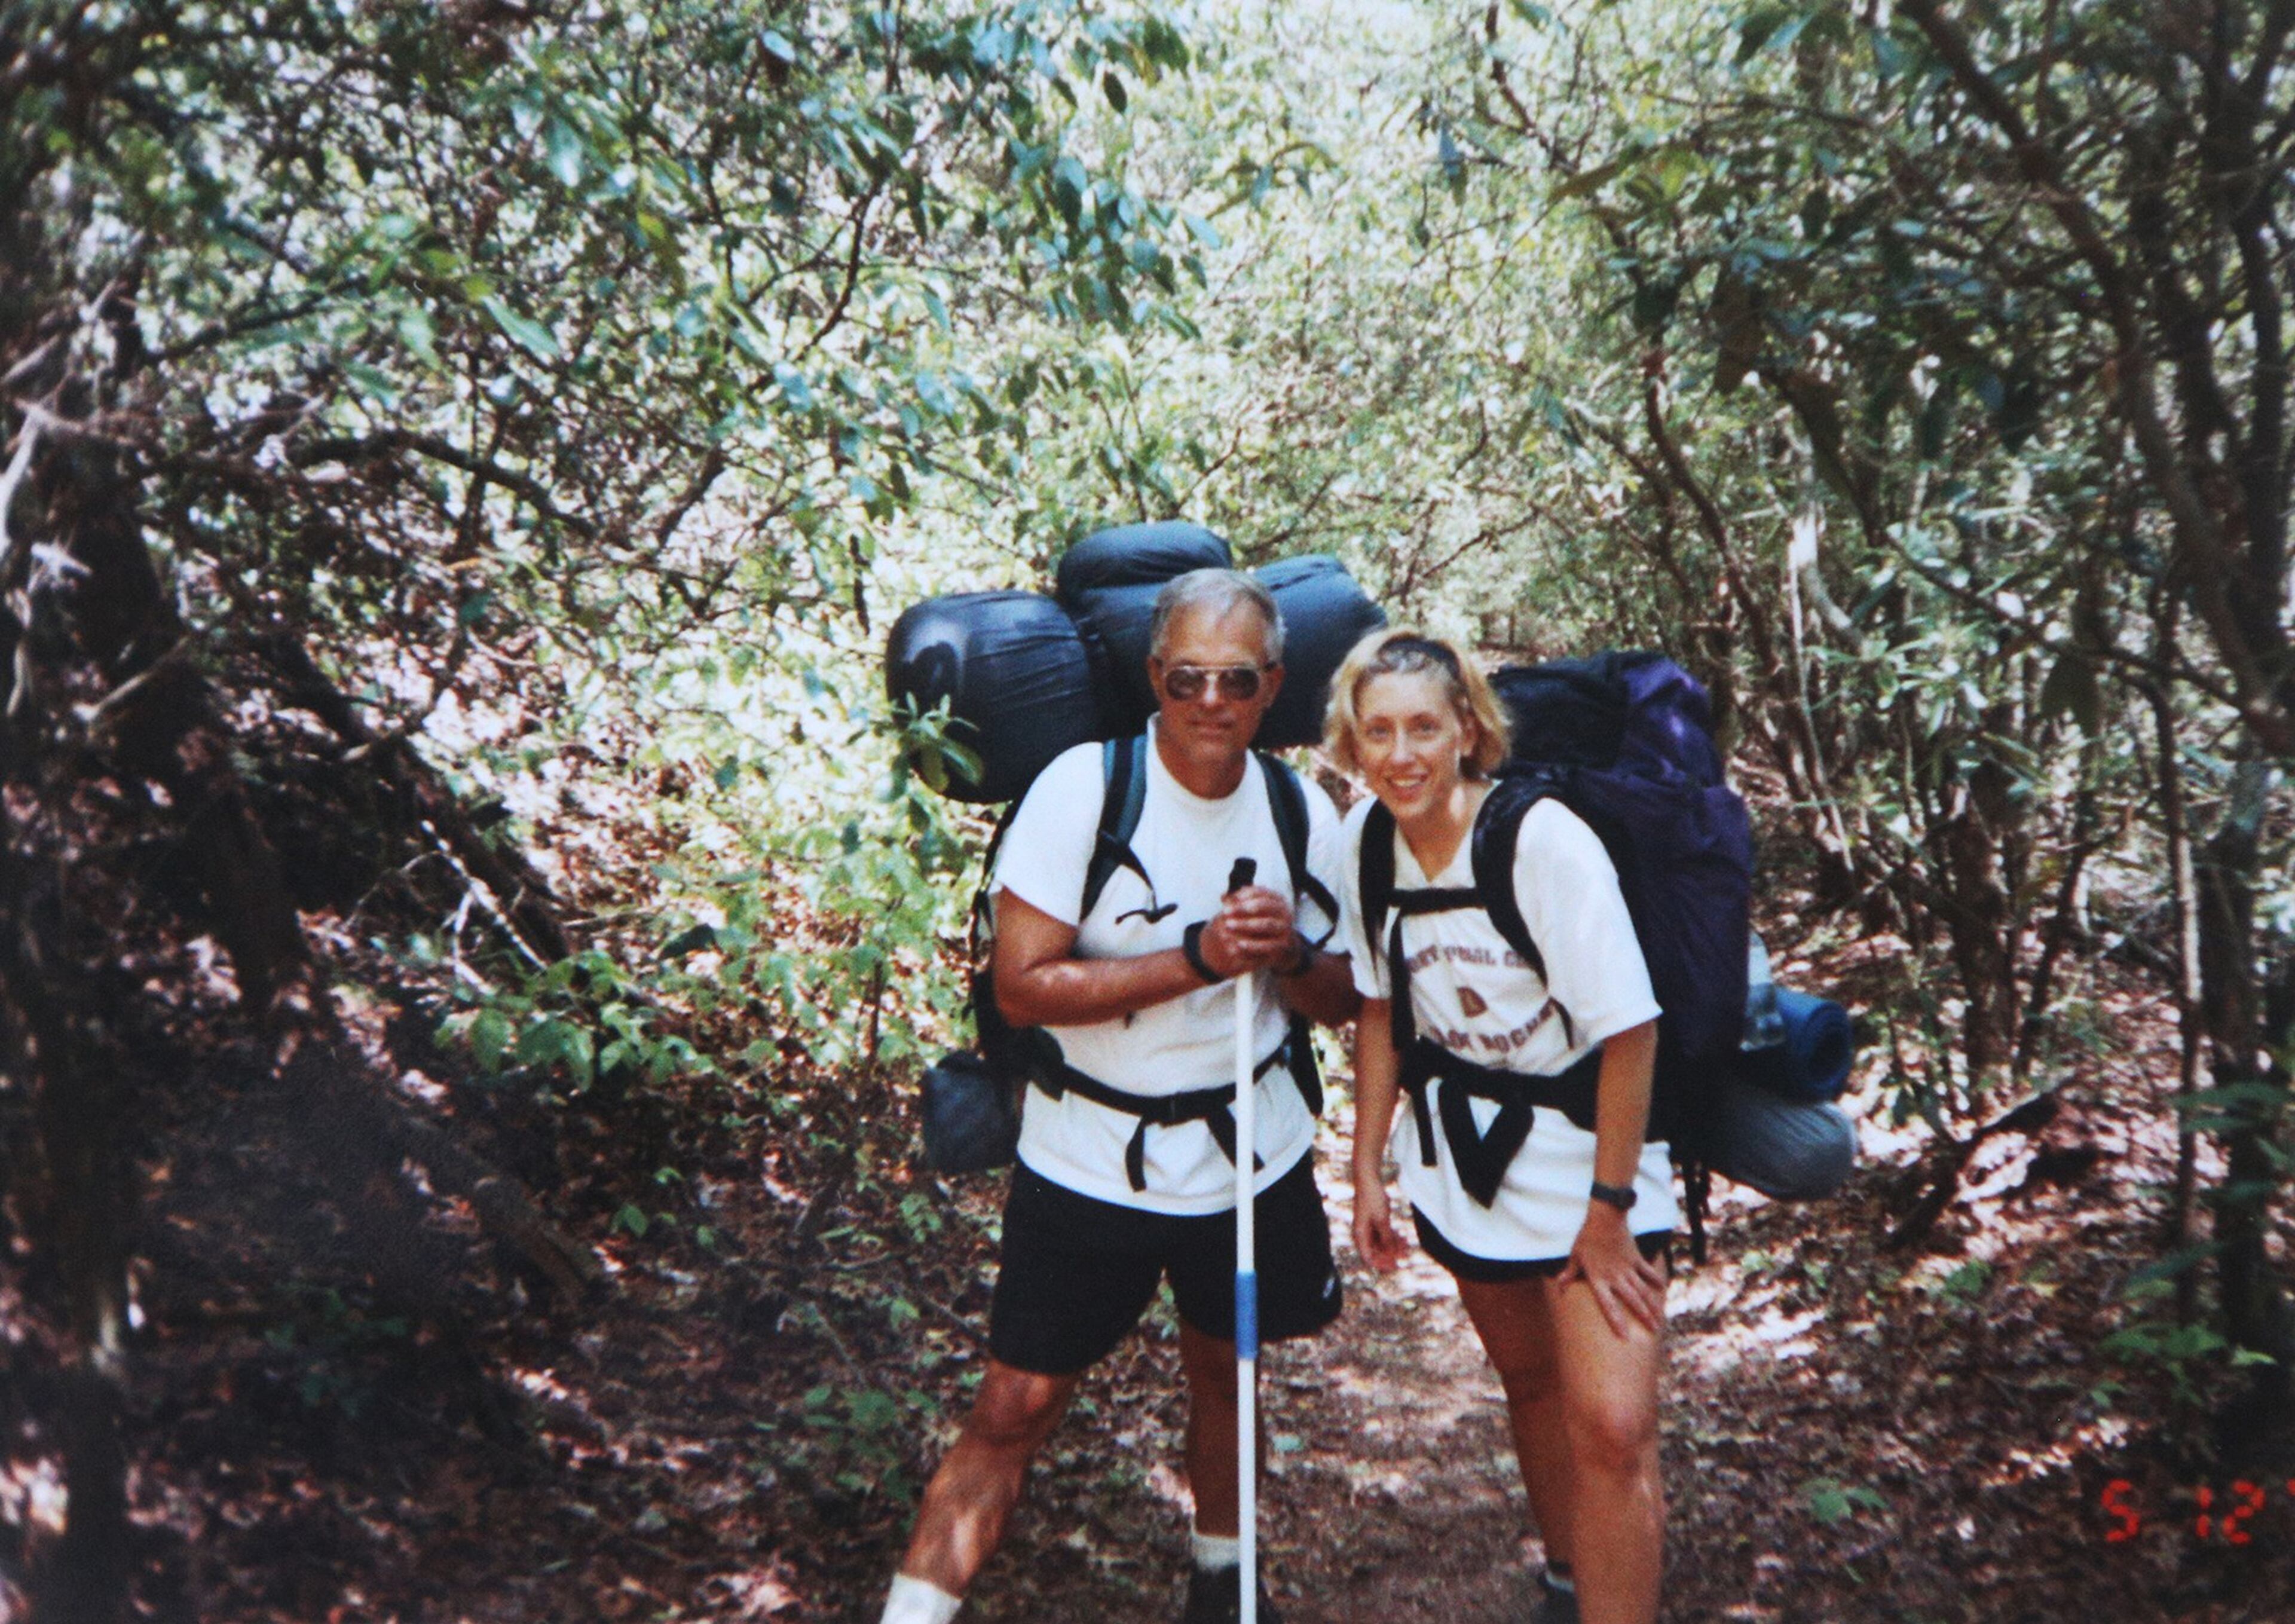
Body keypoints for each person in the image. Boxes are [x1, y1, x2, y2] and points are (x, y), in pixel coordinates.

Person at [880, 569, 1361, 1624]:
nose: (1211, 701)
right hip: (1088, 1152)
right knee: (1015, 1401)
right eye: (1187, 676)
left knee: (1228, 1375)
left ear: (1273, 683)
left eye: (1236, 678)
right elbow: (1023, 986)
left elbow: (1343, 1000)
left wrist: (1288, 954)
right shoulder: (1082, 792)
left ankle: (1223, 1583)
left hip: (1247, 1156)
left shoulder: (1298, 810)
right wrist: (1196, 956)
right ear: (1155, 675)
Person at [1329, 629, 1675, 1624]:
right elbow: (1383, 1009)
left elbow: (1632, 1032)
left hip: (1590, 1153)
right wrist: (1366, 1172)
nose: (1401, 753)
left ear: (1468, 730)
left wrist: (1608, 1214)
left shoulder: (1543, 839)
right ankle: (1572, 1579)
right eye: (1379, 730)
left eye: (1423, 728)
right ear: (1353, 742)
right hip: (1463, 1155)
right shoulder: (1362, 844)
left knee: (1613, 1424)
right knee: (1528, 1381)